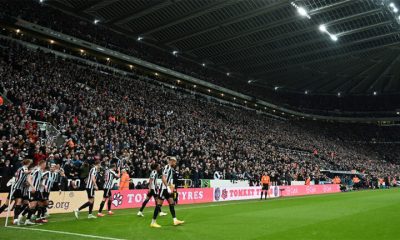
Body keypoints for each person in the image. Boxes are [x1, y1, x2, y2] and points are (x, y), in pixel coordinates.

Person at [150, 157, 184, 228]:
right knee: (159, 204)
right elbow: (163, 178)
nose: (175, 163)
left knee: (171, 203)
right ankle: (153, 222)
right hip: (164, 189)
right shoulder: (167, 167)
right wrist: (168, 187)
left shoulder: (170, 168)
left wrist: (170, 185)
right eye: (175, 162)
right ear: (172, 161)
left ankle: (175, 220)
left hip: (166, 188)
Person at [0, 159, 32, 224]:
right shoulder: (24, 168)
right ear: (28, 163)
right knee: (6, 204)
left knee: (19, 202)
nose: (30, 164)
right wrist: (32, 171)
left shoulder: (22, 169)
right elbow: (26, 172)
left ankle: (16, 218)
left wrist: (26, 183)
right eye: (30, 163)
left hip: (19, 189)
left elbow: (22, 177)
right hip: (15, 188)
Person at [24, 160, 46, 225]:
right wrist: (33, 187)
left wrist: (43, 185)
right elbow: (29, 178)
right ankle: (22, 216)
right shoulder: (36, 170)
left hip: (36, 190)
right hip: (32, 190)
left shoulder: (40, 172)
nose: (45, 166)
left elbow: (37, 181)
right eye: (45, 164)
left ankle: (27, 219)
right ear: (42, 164)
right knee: (33, 205)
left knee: (35, 205)